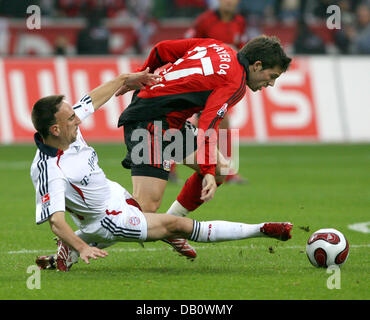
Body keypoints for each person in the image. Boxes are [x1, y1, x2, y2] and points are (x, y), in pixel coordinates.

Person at [31, 69, 293, 272]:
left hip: (113, 194)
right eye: (71, 118)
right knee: (176, 224)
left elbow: (90, 101)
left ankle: (71, 250)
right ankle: (262, 229)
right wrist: (82, 246)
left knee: (157, 212)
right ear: (55, 130)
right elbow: (56, 220)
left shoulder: (66, 131)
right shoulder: (48, 169)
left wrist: (126, 78)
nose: (78, 119)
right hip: (108, 221)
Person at [117, 35, 292, 259]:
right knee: (142, 214)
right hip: (150, 121)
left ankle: (172, 227)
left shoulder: (217, 46)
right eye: (272, 76)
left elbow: (162, 49)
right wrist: (206, 171)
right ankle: (77, 243)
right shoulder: (235, 83)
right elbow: (207, 125)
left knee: (221, 169)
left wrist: (141, 73)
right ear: (257, 65)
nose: (271, 83)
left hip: (170, 121)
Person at [183, 0, 248, 184]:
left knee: (222, 121)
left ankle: (226, 170)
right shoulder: (205, 20)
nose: (229, 2)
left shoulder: (240, 22)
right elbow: (189, 44)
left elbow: (242, 47)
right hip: (202, 78)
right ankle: (170, 167)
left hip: (224, 81)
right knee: (192, 120)